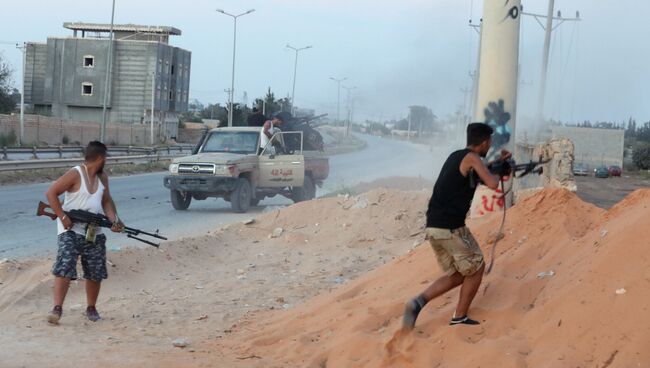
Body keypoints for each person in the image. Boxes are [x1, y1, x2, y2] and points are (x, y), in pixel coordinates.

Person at [402, 122, 511, 329]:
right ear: (485, 142)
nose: (489, 147)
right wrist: (502, 169)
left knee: (459, 274)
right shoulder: (472, 158)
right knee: (477, 268)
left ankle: (417, 303)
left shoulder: (457, 156)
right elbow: (493, 183)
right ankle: (459, 316)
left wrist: (498, 163)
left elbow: (478, 173)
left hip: (435, 226)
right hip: (450, 228)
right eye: (489, 143)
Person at [44, 141, 124, 324]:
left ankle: (91, 308)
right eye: (105, 159)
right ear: (100, 158)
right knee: (65, 266)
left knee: (95, 271)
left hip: (93, 230)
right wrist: (63, 217)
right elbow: (51, 193)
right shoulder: (75, 173)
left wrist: (115, 221)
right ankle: (57, 309)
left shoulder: (102, 177)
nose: (106, 162)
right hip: (70, 230)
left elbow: (106, 202)